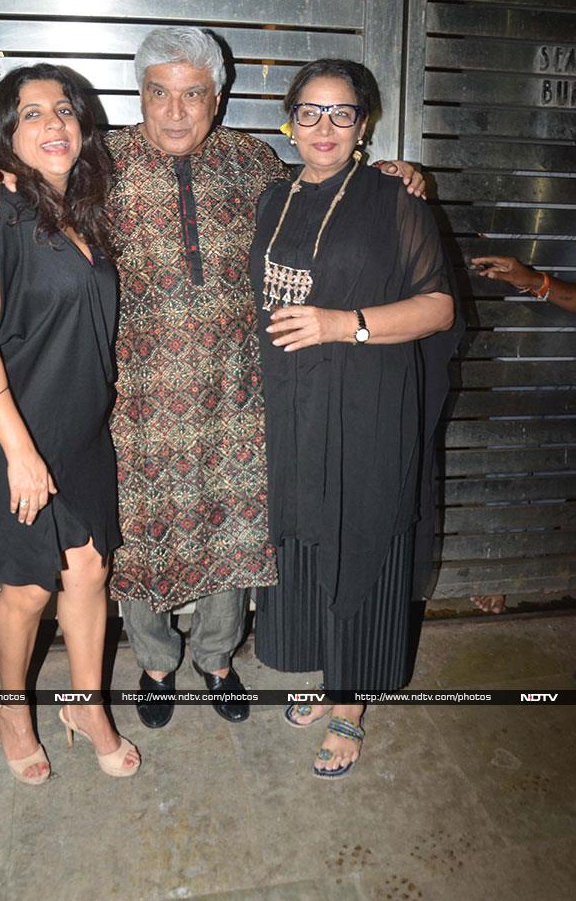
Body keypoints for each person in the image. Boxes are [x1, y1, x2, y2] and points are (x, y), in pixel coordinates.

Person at [0, 28, 425, 730]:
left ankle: (219, 656)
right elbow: (16, 184)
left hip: (237, 398)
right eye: (159, 93)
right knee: (134, 543)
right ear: (139, 97)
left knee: (234, 535)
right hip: (130, 403)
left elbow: (328, 192)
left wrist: (397, 173)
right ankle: (156, 662)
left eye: (193, 93)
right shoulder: (96, 166)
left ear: (218, 98)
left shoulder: (254, 163)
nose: (175, 111)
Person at [250, 59, 460, 778]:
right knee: (308, 535)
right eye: (309, 112)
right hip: (294, 408)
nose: (325, 127)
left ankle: (353, 701)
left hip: (369, 408)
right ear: (289, 120)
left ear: (364, 123)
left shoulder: (394, 199)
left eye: (343, 113)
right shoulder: (270, 197)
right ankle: (323, 670)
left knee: (362, 534)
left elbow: (439, 307)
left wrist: (346, 324)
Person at [0, 63, 139, 782]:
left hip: (80, 428)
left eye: (63, 110)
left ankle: (86, 705)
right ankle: (11, 707)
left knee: (90, 569)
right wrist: (22, 455)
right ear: (6, 134)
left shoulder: (83, 211)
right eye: (30, 114)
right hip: (14, 433)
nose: (52, 123)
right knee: (30, 586)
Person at [469, 254, 576, 614]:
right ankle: (501, 562)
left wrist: (533, 280)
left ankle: (510, 566)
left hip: (561, 345)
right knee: (508, 453)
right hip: (515, 333)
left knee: (550, 464)